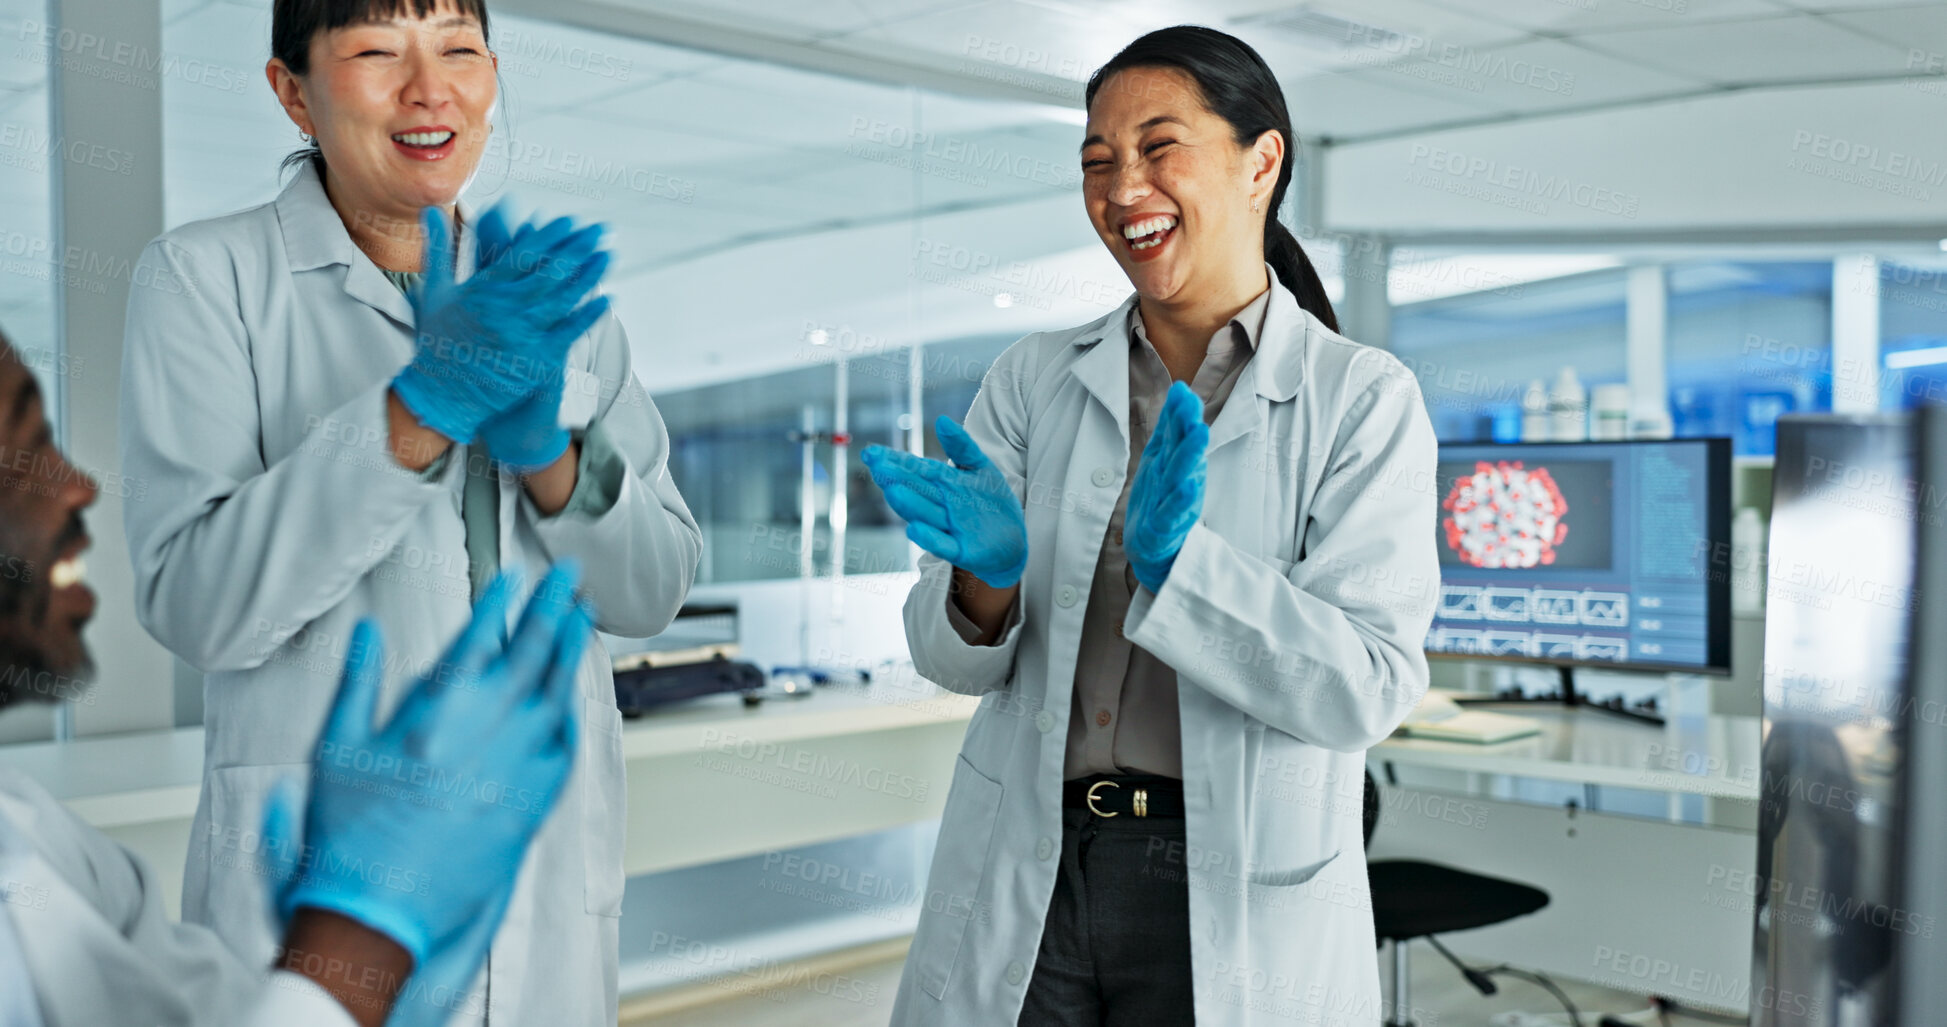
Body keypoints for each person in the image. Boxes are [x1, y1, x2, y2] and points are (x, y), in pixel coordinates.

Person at [117, 1, 701, 1023]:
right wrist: (412, 412)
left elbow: (650, 590)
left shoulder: (562, 309)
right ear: (292, 90)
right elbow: (197, 604)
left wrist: (549, 451)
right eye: (378, 52)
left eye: (461, 51)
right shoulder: (207, 280)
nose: (430, 90)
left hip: (538, 865)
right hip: (325, 884)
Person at [864, 25, 1439, 1027]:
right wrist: (982, 584)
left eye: (1159, 147)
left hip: (1225, 878)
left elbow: (1367, 688)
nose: (1123, 186)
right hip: (1032, 859)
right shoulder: (1034, 379)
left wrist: (1184, 572)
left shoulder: (1361, 399)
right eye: (1097, 159)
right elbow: (952, 661)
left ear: (1262, 162)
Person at [0, 331, 592, 1027]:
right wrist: (359, 944)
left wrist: (349, 981)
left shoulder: (44, 845)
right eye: (24, 450)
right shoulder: (206, 270)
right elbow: (200, 605)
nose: (79, 485)